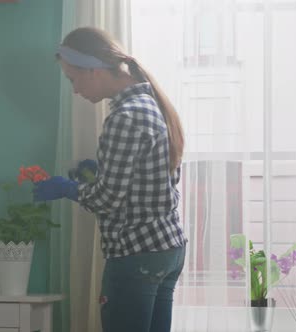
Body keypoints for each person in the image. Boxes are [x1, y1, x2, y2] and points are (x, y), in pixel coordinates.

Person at [32, 27, 187, 332]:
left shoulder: (124, 117)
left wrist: (69, 188)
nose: (75, 90)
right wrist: (100, 173)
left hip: (136, 252)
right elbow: (154, 179)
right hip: (167, 248)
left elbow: (108, 199)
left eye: (73, 79)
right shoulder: (153, 106)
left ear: (93, 70)